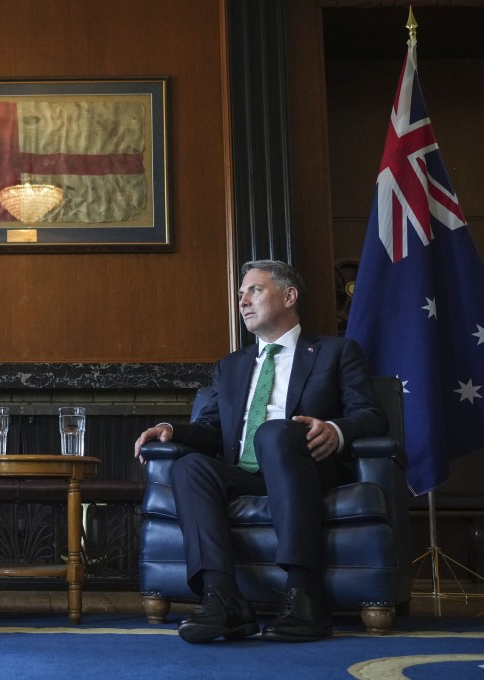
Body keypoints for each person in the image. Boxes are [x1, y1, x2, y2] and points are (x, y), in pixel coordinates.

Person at [134, 260, 386, 643]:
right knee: (188, 468)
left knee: (273, 434)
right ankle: (224, 599)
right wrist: (170, 430)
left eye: (254, 290)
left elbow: (371, 415)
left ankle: (304, 595)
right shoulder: (231, 366)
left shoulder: (336, 352)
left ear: (289, 296)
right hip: (248, 474)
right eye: (240, 294)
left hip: (307, 467)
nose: (243, 300)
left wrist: (335, 431)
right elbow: (210, 429)